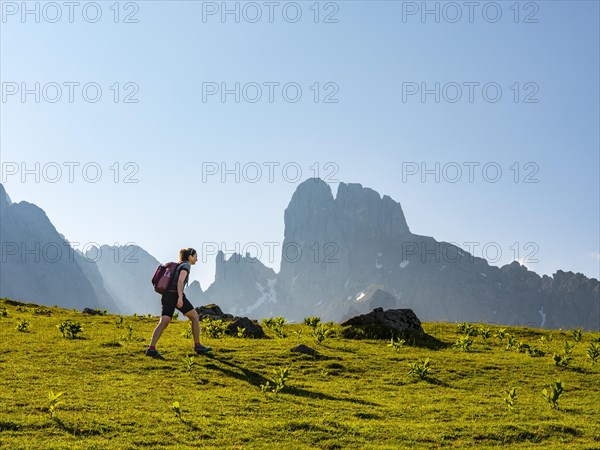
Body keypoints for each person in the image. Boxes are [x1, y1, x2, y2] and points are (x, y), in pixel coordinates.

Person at [145, 248, 212, 358]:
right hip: (176, 295)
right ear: (190, 256)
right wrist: (180, 298)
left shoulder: (177, 265)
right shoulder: (186, 266)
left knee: (164, 321)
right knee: (195, 317)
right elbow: (180, 281)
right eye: (195, 256)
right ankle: (198, 346)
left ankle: (151, 348)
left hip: (167, 295)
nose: (197, 259)